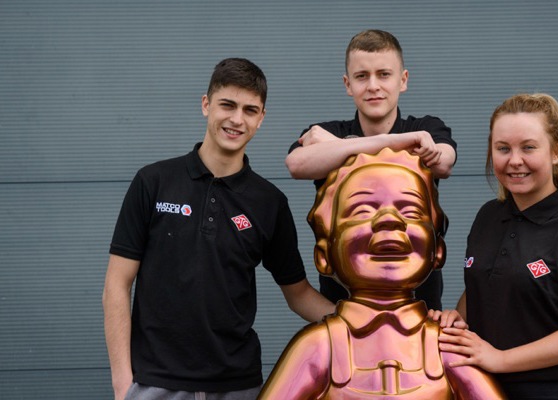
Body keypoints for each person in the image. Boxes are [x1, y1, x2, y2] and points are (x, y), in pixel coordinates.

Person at [101, 58, 336, 400]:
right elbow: (116, 285)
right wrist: (123, 384)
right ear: (206, 104)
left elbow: (298, 294)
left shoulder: (269, 202)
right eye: (227, 105)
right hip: (155, 384)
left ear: (261, 118)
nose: (237, 119)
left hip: (237, 386)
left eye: (250, 110)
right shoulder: (153, 182)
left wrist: (359, 321)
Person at [258, 148, 505, 399]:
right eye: (362, 211)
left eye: (410, 211)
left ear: (438, 251)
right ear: (324, 255)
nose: (389, 220)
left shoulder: (447, 346)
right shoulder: (318, 348)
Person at [431, 93, 558, 399]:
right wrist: (459, 317)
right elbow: (487, 284)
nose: (514, 160)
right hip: (488, 389)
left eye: (528, 147)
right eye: (503, 148)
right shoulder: (488, 216)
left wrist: (501, 359)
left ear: (556, 152)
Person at [285, 29, 456, 311]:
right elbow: (296, 164)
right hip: (343, 308)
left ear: (403, 80)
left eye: (384, 74)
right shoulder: (328, 130)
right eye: (362, 76)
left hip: (420, 306)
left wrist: (340, 147)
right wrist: (393, 143)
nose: (373, 86)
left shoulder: (427, 127)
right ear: (348, 84)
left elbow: (444, 162)